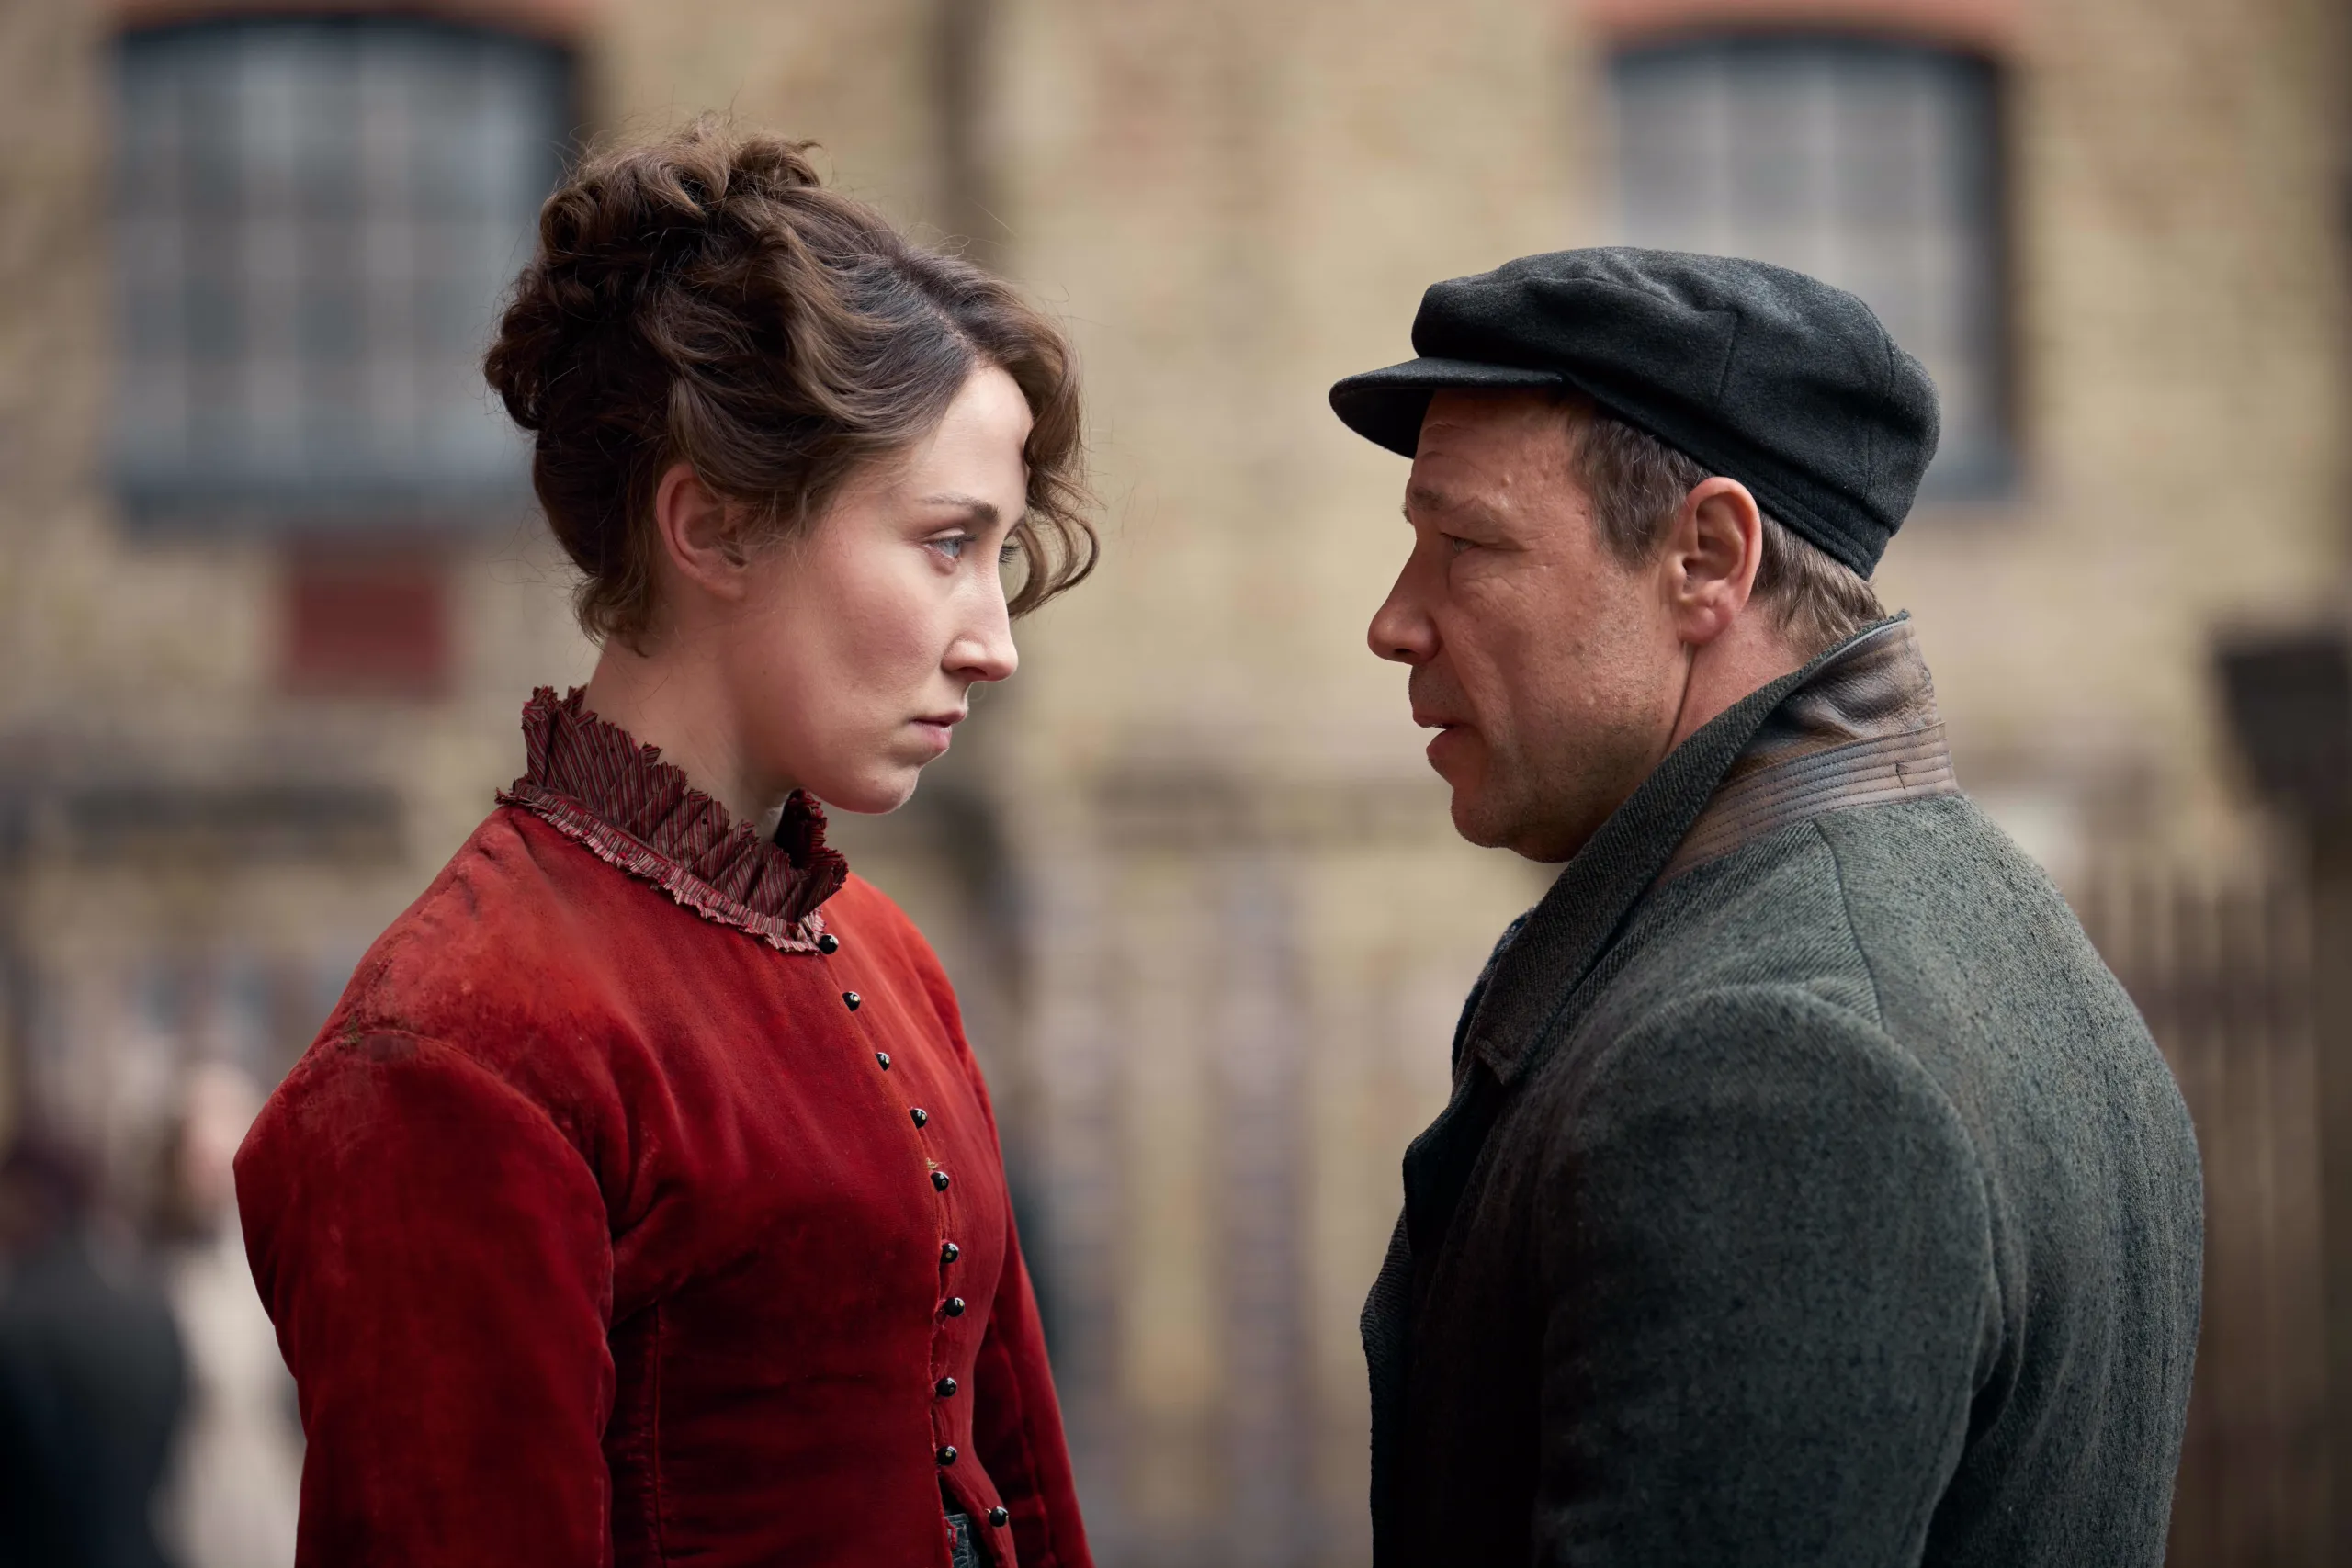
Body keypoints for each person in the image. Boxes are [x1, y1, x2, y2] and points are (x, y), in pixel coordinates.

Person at [234, 119, 1097, 1568]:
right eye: (947, 542)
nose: (995, 642)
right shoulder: (458, 1049)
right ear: (715, 526)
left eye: (1002, 558)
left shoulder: (885, 955)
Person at [1328, 249, 2201, 1566]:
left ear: (1706, 556)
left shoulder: (1777, 1061)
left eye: (1468, 545)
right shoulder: (1987, 933)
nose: (1398, 621)